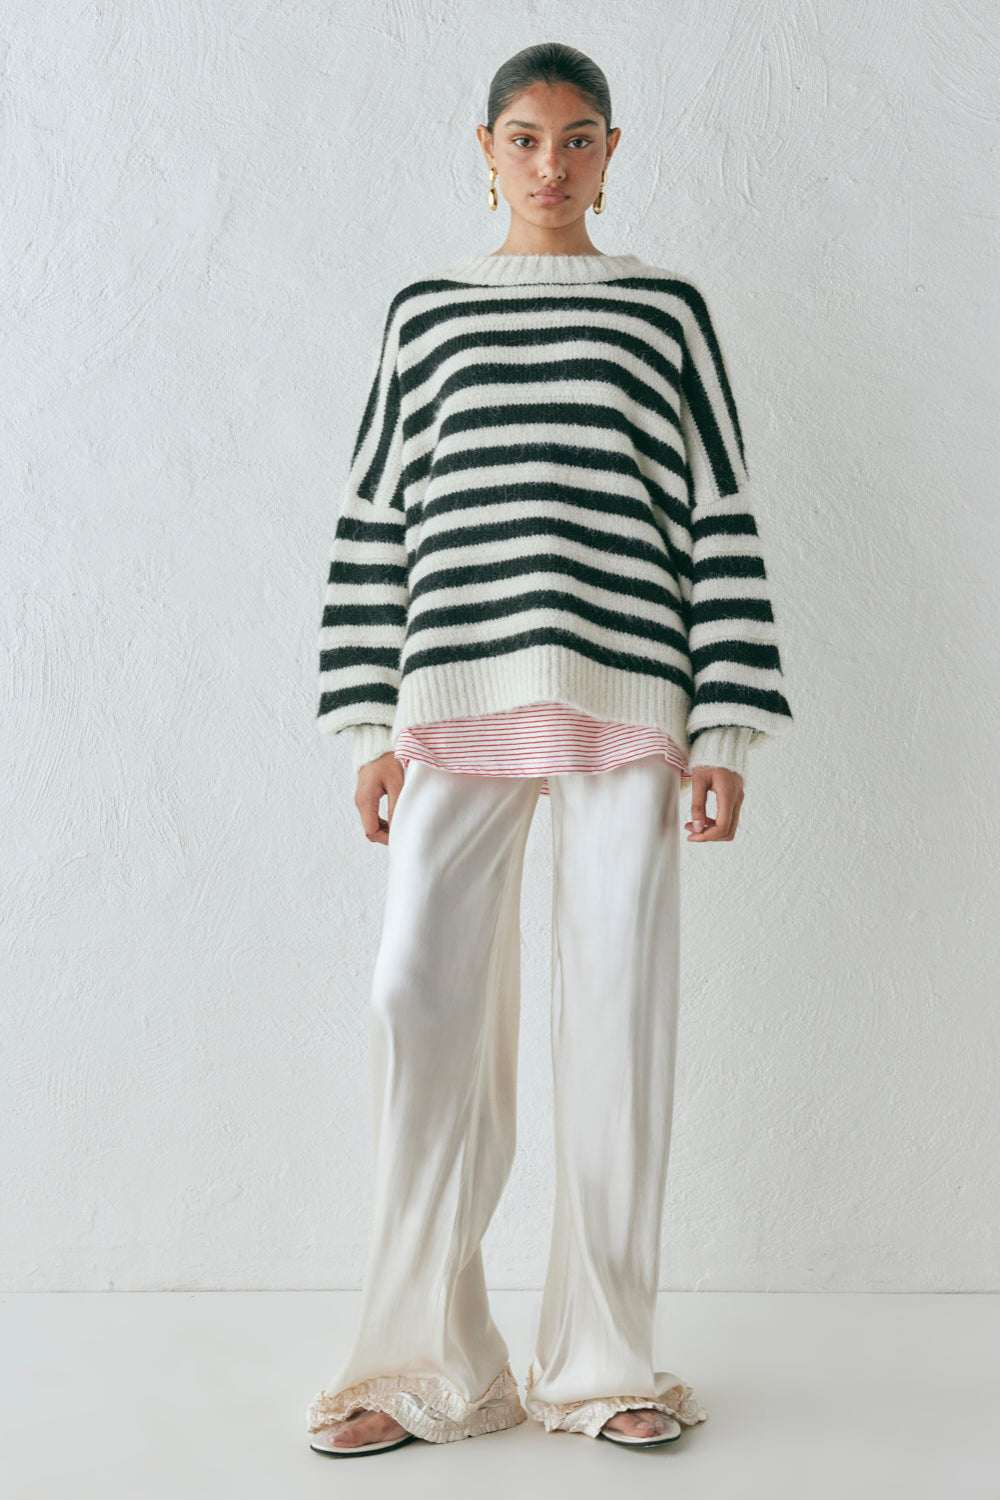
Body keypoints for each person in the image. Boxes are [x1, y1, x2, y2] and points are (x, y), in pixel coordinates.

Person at [306, 41, 793, 1458]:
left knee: (619, 1027)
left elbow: (718, 514)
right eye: (525, 137)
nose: (551, 164)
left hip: (630, 709)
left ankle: (603, 1365)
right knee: (417, 1002)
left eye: (579, 139)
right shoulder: (427, 314)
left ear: (612, 151)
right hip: (454, 710)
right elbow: (376, 517)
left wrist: (726, 725)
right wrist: (366, 721)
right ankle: (422, 1366)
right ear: (485, 148)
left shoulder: (663, 312)